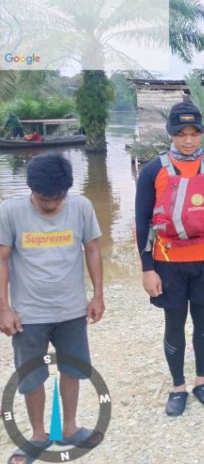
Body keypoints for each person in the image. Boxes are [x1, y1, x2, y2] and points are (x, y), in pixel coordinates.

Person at [0, 154, 105, 463]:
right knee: (32, 376)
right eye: (45, 199)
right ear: (31, 189)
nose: (52, 205)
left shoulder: (81, 206)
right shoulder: (10, 211)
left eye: (58, 198)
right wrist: (4, 308)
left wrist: (97, 295)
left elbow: (94, 249)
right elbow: (2, 259)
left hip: (72, 310)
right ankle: (37, 436)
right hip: (29, 314)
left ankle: (70, 428)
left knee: (73, 369)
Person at [135, 101, 204, 416]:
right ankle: (178, 387)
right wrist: (147, 268)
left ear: (202, 134)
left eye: (194, 133)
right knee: (174, 323)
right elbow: (143, 223)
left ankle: (202, 381)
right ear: (171, 134)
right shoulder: (153, 170)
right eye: (181, 133)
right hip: (168, 263)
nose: (188, 140)